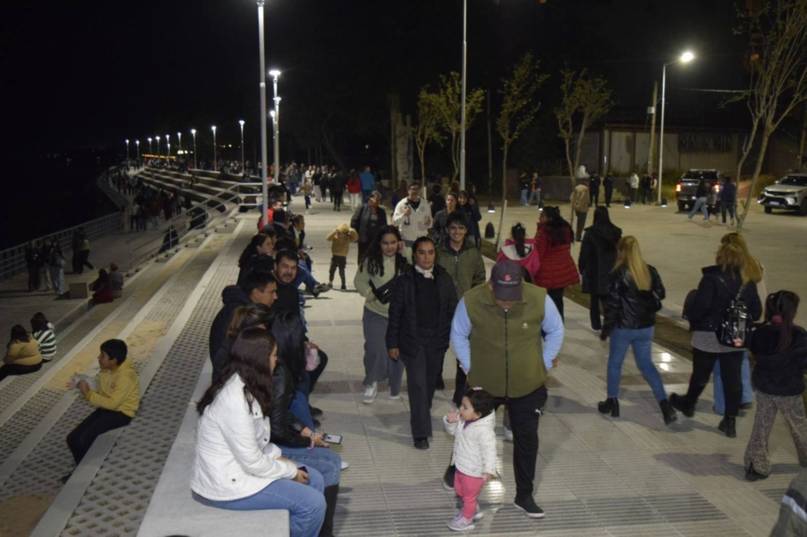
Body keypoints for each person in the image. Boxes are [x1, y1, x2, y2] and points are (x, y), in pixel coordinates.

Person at [448, 259, 564, 519]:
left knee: (527, 440)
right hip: (485, 385)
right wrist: (470, 366)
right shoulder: (471, 301)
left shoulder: (540, 298)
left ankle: (524, 495)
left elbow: (556, 330)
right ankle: (455, 469)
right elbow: (457, 334)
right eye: (502, 298)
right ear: (490, 286)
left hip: (527, 385)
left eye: (513, 297)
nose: (507, 303)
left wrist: (542, 363)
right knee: (469, 433)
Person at [191, 327, 327, 537]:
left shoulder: (248, 385)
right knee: (313, 504)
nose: (276, 361)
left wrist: (279, 457)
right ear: (259, 360)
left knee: (314, 478)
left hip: (242, 468)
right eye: (273, 356)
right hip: (226, 485)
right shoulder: (234, 400)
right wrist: (290, 470)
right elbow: (252, 462)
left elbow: (257, 443)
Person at [670, 239, 763, 437]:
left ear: (720, 256)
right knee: (733, 379)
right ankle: (729, 421)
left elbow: (701, 307)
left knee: (700, 374)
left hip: (708, 335)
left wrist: (694, 319)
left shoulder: (711, 278)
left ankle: (689, 402)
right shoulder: (748, 281)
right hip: (734, 337)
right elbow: (756, 311)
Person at [268, 313, 343, 537]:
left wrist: (304, 430)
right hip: (265, 449)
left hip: (266, 443)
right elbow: (277, 427)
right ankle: (323, 531)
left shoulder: (280, 369)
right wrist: (305, 440)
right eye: (302, 338)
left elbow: (279, 414)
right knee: (328, 466)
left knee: (331, 461)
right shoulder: (279, 372)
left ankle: (323, 530)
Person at [386, 236, 458, 449]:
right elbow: (395, 314)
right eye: (422, 252)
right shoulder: (404, 281)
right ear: (414, 254)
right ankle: (420, 432)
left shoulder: (444, 278)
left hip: (436, 342)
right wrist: (392, 342)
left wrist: (452, 337)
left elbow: (453, 310)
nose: (426, 257)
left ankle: (421, 415)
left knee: (427, 385)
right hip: (412, 341)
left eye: (430, 252)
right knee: (417, 384)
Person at [597, 237, 676, 425]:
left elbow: (613, 305)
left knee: (615, 364)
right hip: (646, 327)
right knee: (647, 365)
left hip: (624, 327)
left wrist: (606, 328)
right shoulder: (650, 271)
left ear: (621, 251)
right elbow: (661, 293)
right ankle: (664, 404)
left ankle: (612, 401)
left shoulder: (618, 273)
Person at [744, 291, 807, 481]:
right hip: (789, 388)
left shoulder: (760, 332)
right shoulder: (798, 335)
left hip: (765, 385)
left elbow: (754, 352)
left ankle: (757, 465)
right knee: (799, 426)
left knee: (762, 425)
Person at [354, 226, 409, 404]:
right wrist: (371, 294)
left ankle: (394, 387)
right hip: (375, 313)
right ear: (379, 244)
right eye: (385, 243)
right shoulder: (371, 261)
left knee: (397, 353)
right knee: (375, 349)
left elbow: (418, 270)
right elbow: (359, 281)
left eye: (393, 242)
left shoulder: (405, 259)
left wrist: (405, 250)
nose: (389, 247)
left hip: (399, 316)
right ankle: (371, 382)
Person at [436, 212, 486, 403]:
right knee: (439, 346)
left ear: (466, 231)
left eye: (461, 228)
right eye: (453, 228)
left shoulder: (473, 252)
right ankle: (436, 375)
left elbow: (480, 277)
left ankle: (460, 391)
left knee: (463, 349)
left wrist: (474, 299)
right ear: (448, 230)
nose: (457, 232)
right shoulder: (439, 251)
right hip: (442, 307)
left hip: (466, 309)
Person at [713, 232, 764, 415]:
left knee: (725, 362)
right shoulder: (755, 264)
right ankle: (746, 396)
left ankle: (723, 404)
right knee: (741, 357)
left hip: (735, 320)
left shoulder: (733, 268)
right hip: (751, 318)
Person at [66, 339, 139, 467]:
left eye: (102, 355)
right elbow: (101, 388)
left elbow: (113, 404)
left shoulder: (125, 377)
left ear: (113, 360)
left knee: (79, 440)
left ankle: (82, 469)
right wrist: (80, 383)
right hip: (108, 409)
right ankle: (81, 465)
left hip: (122, 413)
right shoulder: (108, 369)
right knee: (73, 438)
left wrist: (88, 394)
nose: (99, 358)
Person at [442, 388, 497, 532]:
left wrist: (489, 470)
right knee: (460, 490)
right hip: (461, 465)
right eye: (461, 405)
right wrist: (450, 421)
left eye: (465, 407)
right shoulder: (464, 420)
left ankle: (466, 519)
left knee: (468, 497)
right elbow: (453, 432)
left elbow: (490, 451)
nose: (460, 409)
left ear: (477, 414)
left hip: (474, 472)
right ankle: (473, 509)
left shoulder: (484, 431)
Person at [209, 272, 279, 374]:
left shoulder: (241, 309)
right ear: (255, 292)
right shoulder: (243, 317)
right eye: (272, 292)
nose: (275, 296)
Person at [578, 207, 622, 330]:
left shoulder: (590, 233)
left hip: (594, 271)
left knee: (594, 300)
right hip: (611, 271)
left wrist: (581, 267)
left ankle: (596, 324)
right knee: (608, 299)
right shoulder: (616, 232)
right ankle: (609, 322)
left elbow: (584, 253)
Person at [533, 207, 579, 320]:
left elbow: (538, 253)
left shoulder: (544, 233)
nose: (539, 218)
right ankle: (559, 324)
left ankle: (550, 327)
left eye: (542, 216)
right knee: (558, 300)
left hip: (548, 273)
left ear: (549, 218)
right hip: (563, 270)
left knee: (547, 302)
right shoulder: (565, 229)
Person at [351, 191, 387, 264]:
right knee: (362, 257)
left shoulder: (382, 211)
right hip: (363, 238)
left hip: (376, 240)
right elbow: (354, 221)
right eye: (376, 199)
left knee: (375, 258)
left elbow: (384, 226)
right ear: (370, 198)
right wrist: (355, 234)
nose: (377, 201)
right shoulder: (362, 208)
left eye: (379, 200)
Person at [393, 182, 433, 247]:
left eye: (417, 189)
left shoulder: (425, 204)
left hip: (421, 239)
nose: (415, 191)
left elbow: (430, 223)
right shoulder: (401, 204)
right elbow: (395, 222)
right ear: (408, 190)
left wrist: (428, 223)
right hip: (407, 240)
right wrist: (404, 215)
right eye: (413, 189)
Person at [325, 223, 358, 290]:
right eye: (339, 232)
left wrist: (352, 231)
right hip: (335, 256)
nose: (340, 235)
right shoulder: (335, 237)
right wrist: (334, 232)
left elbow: (356, 238)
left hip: (342, 257)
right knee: (331, 270)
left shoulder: (348, 238)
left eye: (342, 233)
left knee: (341, 271)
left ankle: (343, 284)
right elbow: (328, 238)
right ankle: (330, 282)